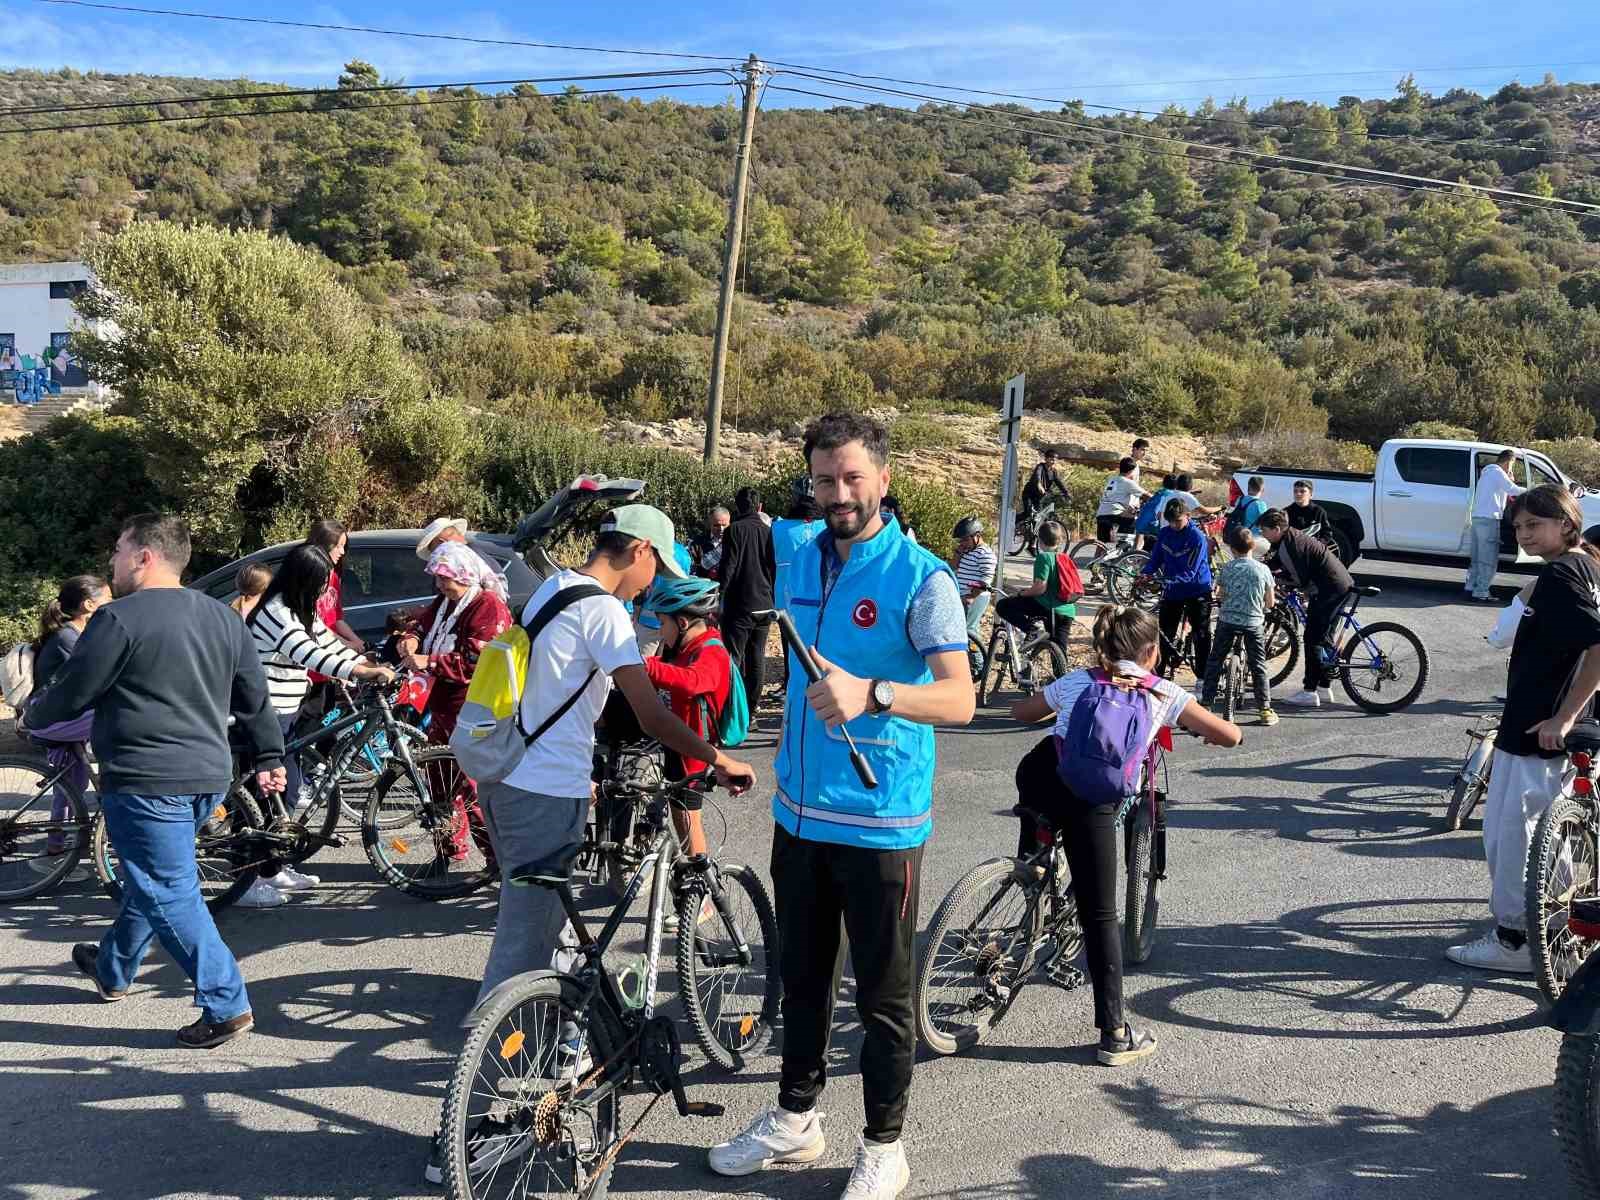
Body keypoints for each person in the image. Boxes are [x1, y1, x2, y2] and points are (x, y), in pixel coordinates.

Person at [425, 503, 755, 1184]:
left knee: (552, 935)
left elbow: (564, 690)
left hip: (512, 778)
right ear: (635, 550)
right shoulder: (604, 612)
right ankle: (468, 1132)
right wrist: (715, 760)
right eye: (653, 567)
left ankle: (564, 1053)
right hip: (545, 791)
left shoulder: (553, 588)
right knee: (521, 951)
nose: (652, 584)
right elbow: (650, 711)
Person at [708, 412, 974, 1200]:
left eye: (853, 478)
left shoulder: (922, 577)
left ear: (884, 480)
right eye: (825, 480)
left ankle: (885, 1145)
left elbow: (961, 698)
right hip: (797, 814)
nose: (839, 494)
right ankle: (796, 1118)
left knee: (883, 996)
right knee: (801, 978)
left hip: (880, 820)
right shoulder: (795, 555)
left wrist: (877, 693)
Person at [25, 514, 285, 1049]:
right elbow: (254, 695)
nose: (112, 562)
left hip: (146, 777)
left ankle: (226, 1004)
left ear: (145, 556)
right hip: (209, 776)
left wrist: (33, 713)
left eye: (120, 549)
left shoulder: (118, 619)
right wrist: (268, 754)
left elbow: (74, 690)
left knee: (167, 888)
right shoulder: (224, 618)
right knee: (156, 876)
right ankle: (114, 968)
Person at [1011, 605, 1240, 1065]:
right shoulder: (1163, 693)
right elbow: (1229, 735)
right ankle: (1114, 1034)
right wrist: (1221, 733)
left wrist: (1056, 705)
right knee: (1101, 913)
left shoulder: (1082, 679)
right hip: (1093, 796)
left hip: (1042, 774)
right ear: (1152, 651)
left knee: (1039, 800)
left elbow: (1023, 713)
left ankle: (1033, 861)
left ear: (1105, 645)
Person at [1447, 484, 1600, 973]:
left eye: (1534, 525)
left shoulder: (1562, 574)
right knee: (1544, 837)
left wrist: (1565, 715)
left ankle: (1514, 940)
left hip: (1538, 729)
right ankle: (1554, 926)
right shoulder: (1584, 566)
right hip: (1544, 725)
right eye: (1517, 527)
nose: (1524, 534)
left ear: (1566, 524)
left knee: (1511, 837)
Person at [243, 544, 395, 907]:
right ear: (304, 580)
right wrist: (364, 672)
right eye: (323, 583)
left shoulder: (298, 608)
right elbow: (309, 654)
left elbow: (326, 641)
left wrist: (363, 657)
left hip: (286, 712)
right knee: (265, 796)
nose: (326, 590)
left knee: (289, 791)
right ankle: (246, 880)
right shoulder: (277, 611)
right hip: (265, 713)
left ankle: (272, 868)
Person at [400, 542, 513, 865]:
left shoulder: (487, 607)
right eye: (437, 580)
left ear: (464, 576)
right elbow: (423, 622)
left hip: (472, 708)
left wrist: (429, 661)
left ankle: (497, 857)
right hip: (442, 706)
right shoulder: (448, 602)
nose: (439, 586)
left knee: (472, 785)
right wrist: (411, 637)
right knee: (440, 782)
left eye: (444, 580)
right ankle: (448, 849)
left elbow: (476, 661)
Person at [25, 574, 111, 880]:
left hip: (61, 717)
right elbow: (93, 680)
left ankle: (55, 849)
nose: (112, 605)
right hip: (52, 719)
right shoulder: (68, 638)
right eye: (108, 599)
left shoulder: (75, 634)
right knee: (118, 721)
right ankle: (114, 797)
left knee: (70, 787)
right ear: (89, 605)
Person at [641, 576, 731, 864]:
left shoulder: (711, 649)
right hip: (676, 740)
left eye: (662, 623)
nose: (660, 631)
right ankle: (689, 873)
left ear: (682, 623)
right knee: (679, 813)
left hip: (693, 749)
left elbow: (693, 681)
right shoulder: (685, 648)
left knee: (689, 819)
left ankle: (701, 894)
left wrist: (646, 667)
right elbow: (669, 669)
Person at [1258, 507, 1353, 709]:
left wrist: (1279, 581)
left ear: (1276, 529)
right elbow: (1276, 560)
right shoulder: (1288, 537)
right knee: (1325, 636)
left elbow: (1298, 578)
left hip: (1329, 589)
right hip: (1341, 584)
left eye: (1263, 530)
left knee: (1312, 638)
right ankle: (1324, 687)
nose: (1262, 534)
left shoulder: (1291, 544)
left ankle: (1309, 691)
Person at [1200, 525, 1278, 725]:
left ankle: (1207, 702)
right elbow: (1270, 601)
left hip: (1227, 621)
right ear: (1253, 547)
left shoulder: (1227, 568)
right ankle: (1265, 710)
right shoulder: (1263, 569)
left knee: (1215, 659)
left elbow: (1220, 594)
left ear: (1232, 549)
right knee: (1258, 664)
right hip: (1253, 622)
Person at [1141, 499, 1214, 681]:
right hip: (1172, 590)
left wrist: (1163, 583)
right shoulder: (1165, 533)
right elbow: (1155, 559)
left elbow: (1190, 573)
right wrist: (1145, 574)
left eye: (1178, 521)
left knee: (1201, 634)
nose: (1174, 525)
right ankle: (1157, 679)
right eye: (1170, 521)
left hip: (1196, 589)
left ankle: (1203, 679)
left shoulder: (1197, 538)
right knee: (1164, 634)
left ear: (1188, 516)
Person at [719, 486, 778, 713]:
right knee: (757, 657)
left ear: (737, 507)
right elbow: (772, 568)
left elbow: (728, 568)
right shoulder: (768, 531)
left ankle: (734, 709)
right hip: (764, 604)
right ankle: (752, 709)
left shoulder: (734, 530)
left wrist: (719, 599)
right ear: (760, 507)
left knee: (733, 657)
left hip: (740, 605)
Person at [994, 520, 1077, 660]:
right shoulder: (1065, 557)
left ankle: (1033, 630)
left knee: (1003, 605)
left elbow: (1040, 588)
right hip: (1068, 611)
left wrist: (1021, 593)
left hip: (1050, 608)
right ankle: (1059, 679)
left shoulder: (1044, 557)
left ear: (1040, 540)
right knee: (1059, 654)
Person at [1469, 449, 1523, 603]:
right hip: (1489, 519)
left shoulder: (1487, 473)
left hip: (1479, 518)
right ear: (1509, 461)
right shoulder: (1497, 472)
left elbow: (1505, 493)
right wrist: (1534, 489)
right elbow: (1512, 490)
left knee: (1477, 557)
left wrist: (1509, 477)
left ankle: (1470, 587)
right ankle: (1481, 592)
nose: (1511, 468)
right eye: (1512, 464)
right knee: (1488, 559)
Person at [633, 539, 694, 657]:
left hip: (649, 614)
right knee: (662, 661)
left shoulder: (655, 550)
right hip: (673, 616)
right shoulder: (683, 552)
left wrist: (634, 609)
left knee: (642, 662)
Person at [771, 476, 824, 608]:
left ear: (795, 498)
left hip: (786, 601)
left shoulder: (776, 527)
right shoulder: (829, 527)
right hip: (820, 599)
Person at [953, 516, 997, 636]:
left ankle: (978, 655)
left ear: (977, 536)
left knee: (969, 631)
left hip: (976, 597)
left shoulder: (985, 554)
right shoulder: (967, 551)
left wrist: (971, 596)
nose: (962, 543)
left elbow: (985, 581)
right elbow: (953, 567)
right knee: (961, 631)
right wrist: (958, 553)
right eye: (961, 540)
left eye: (965, 540)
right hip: (963, 596)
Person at [1095, 457, 1147, 543]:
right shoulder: (1128, 482)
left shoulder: (1111, 479)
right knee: (1133, 521)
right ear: (1131, 471)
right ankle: (1123, 547)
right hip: (1114, 515)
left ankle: (1098, 556)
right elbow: (1146, 496)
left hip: (1101, 513)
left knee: (1102, 544)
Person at [1021, 447, 1070, 532]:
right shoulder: (1040, 467)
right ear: (1046, 459)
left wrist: (1066, 493)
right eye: (1051, 459)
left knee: (1039, 516)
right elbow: (1037, 476)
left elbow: (1059, 483)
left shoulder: (1054, 471)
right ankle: (1014, 523)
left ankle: (1033, 537)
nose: (1053, 462)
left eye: (1054, 460)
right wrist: (1039, 485)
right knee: (1028, 514)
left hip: (1039, 496)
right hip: (1029, 494)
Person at [1134, 474, 1180, 549]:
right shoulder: (1169, 496)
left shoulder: (1159, 493)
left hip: (1143, 525)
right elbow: (1156, 512)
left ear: (1163, 483)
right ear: (1177, 485)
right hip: (1154, 527)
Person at [692, 506, 731, 579]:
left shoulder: (736, 542)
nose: (721, 529)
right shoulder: (697, 543)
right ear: (710, 524)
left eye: (724, 525)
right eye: (717, 525)